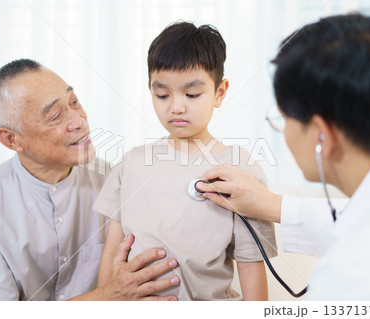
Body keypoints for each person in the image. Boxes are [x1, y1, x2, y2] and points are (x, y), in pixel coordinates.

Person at [197, 14, 370, 300]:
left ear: (320, 135)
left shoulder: (354, 275)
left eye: (282, 119)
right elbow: (355, 219)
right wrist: (271, 204)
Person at [0, 59, 180, 301]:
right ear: (12, 140)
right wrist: (109, 296)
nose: (79, 121)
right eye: (55, 116)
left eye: (74, 102)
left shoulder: (116, 181)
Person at [94, 22, 276, 301]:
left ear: (220, 93)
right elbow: (112, 252)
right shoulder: (130, 164)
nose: (176, 107)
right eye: (162, 94)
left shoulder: (239, 169)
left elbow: (251, 264)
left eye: (192, 94)